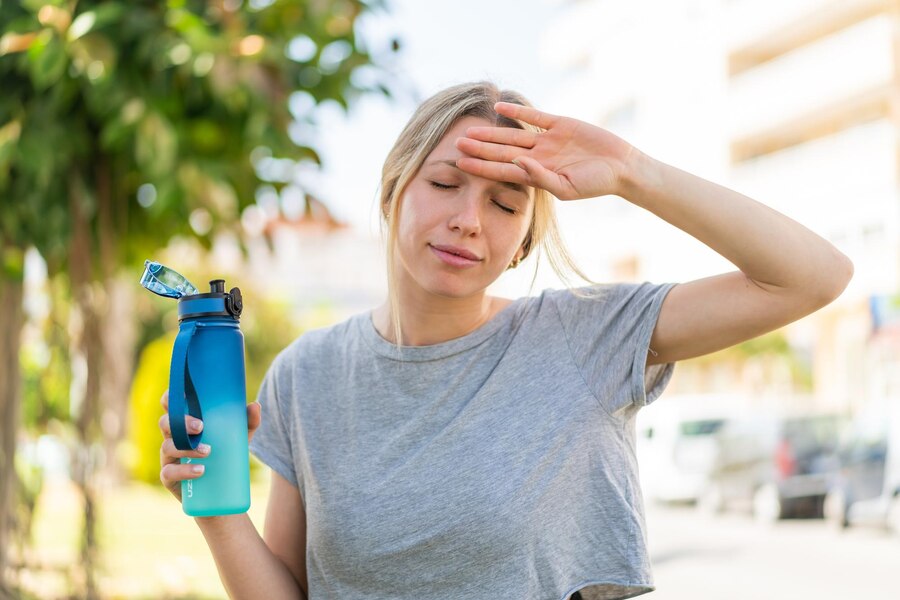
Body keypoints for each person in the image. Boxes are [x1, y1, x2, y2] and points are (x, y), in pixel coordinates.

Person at [158, 81, 853, 599]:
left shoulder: (584, 339)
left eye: (504, 203)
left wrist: (632, 170)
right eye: (445, 183)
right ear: (393, 189)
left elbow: (812, 278)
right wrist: (213, 513)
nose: (469, 220)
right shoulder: (306, 374)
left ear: (523, 242)